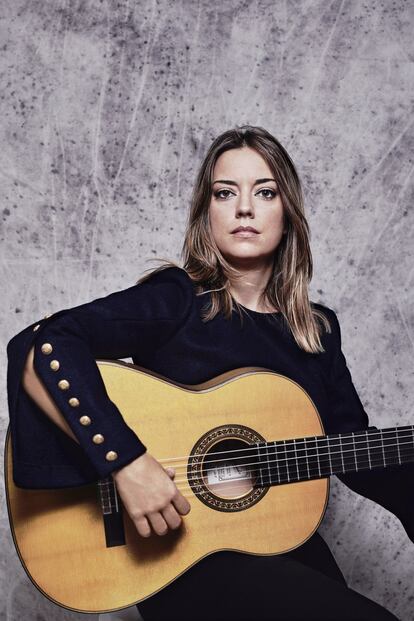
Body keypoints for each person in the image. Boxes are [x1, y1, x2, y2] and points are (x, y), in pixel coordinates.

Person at [7, 125, 413, 621]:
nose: (245, 208)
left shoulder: (319, 330)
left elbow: (356, 449)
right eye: (226, 193)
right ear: (208, 213)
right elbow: (45, 344)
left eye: (265, 192)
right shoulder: (178, 299)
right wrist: (126, 463)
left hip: (276, 542)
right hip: (180, 554)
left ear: (288, 214)